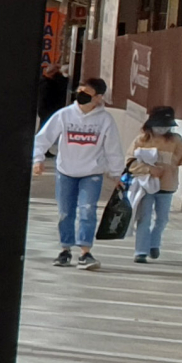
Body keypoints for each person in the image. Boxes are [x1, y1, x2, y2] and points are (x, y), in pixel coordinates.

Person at [33, 75, 122, 270]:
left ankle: (85, 252)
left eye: (87, 93)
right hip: (66, 171)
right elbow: (43, 138)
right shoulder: (64, 115)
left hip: (92, 172)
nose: (81, 96)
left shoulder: (105, 120)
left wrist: (117, 174)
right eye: (80, 92)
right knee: (65, 212)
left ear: (99, 97)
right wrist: (38, 159)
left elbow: (113, 147)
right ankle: (65, 249)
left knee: (88, 210)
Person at [128, 105, 182, 263]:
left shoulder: (176, 142)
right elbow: (130, 161)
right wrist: (148, 169)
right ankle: (140, 251)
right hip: (146, 186)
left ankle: (154, 243)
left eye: (166, 126)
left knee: (162, 219)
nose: (162, 129)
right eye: (159, 125)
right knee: (144, 218)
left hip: (167, 187)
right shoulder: (141, 140)